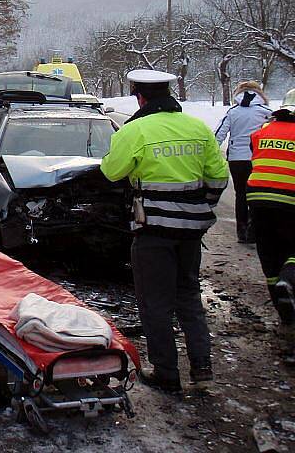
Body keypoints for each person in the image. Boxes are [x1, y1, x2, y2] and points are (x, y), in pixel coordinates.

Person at [100, 69, 228, 392]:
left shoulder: (135, 131)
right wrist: (200, 206)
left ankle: (167, 372)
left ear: (139, 97)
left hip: (153, 232)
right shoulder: (198, 129)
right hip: (191, 232)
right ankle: (202, 369)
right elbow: (218, 178)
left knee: (155, 301)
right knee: (188, 296)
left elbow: (112, 171)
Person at [247, 88, 295, 360]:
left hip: (258, 198)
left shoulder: (265, 129)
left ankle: (285, 313)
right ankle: (289, 280)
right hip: (290, 199)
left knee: (270, 254)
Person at [214, 80, 272, 242]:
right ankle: (255, 230)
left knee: (241, 194)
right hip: (259, 159)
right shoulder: (266, 112)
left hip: (237, 159)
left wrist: (210, 154)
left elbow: (219, 134)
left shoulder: (232, 112)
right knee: (257, 195)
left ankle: (242, 230)